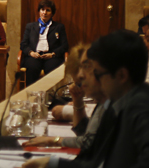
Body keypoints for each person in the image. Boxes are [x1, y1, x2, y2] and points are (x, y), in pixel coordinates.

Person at [23, 29, 149, 168]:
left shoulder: (141, 109)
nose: (87, 77)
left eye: (98, 73)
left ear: (121, 76)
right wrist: (52, 164)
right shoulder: (117, 106)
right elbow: (98, 163)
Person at [28, 43, 108, 150]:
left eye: (80, 82)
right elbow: (84, 133)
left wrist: (53, 141)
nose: (81, 88)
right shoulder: (103, 101)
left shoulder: (111, 103)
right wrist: (78, 101)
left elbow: (90, 143)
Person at [21, 0, 68, 86]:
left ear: (52, 13)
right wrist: (31, 53)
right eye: (42, 9)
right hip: (34, 56)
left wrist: (53, 54)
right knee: (32, 68)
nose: (44, 13)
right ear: (39, 11)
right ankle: (31, 96)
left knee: (53, 68)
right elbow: (23, 44)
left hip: (51, 57)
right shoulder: (30, 26)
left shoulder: (59, 27)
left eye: (48, 10)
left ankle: (52, 97)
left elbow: (65, 45)